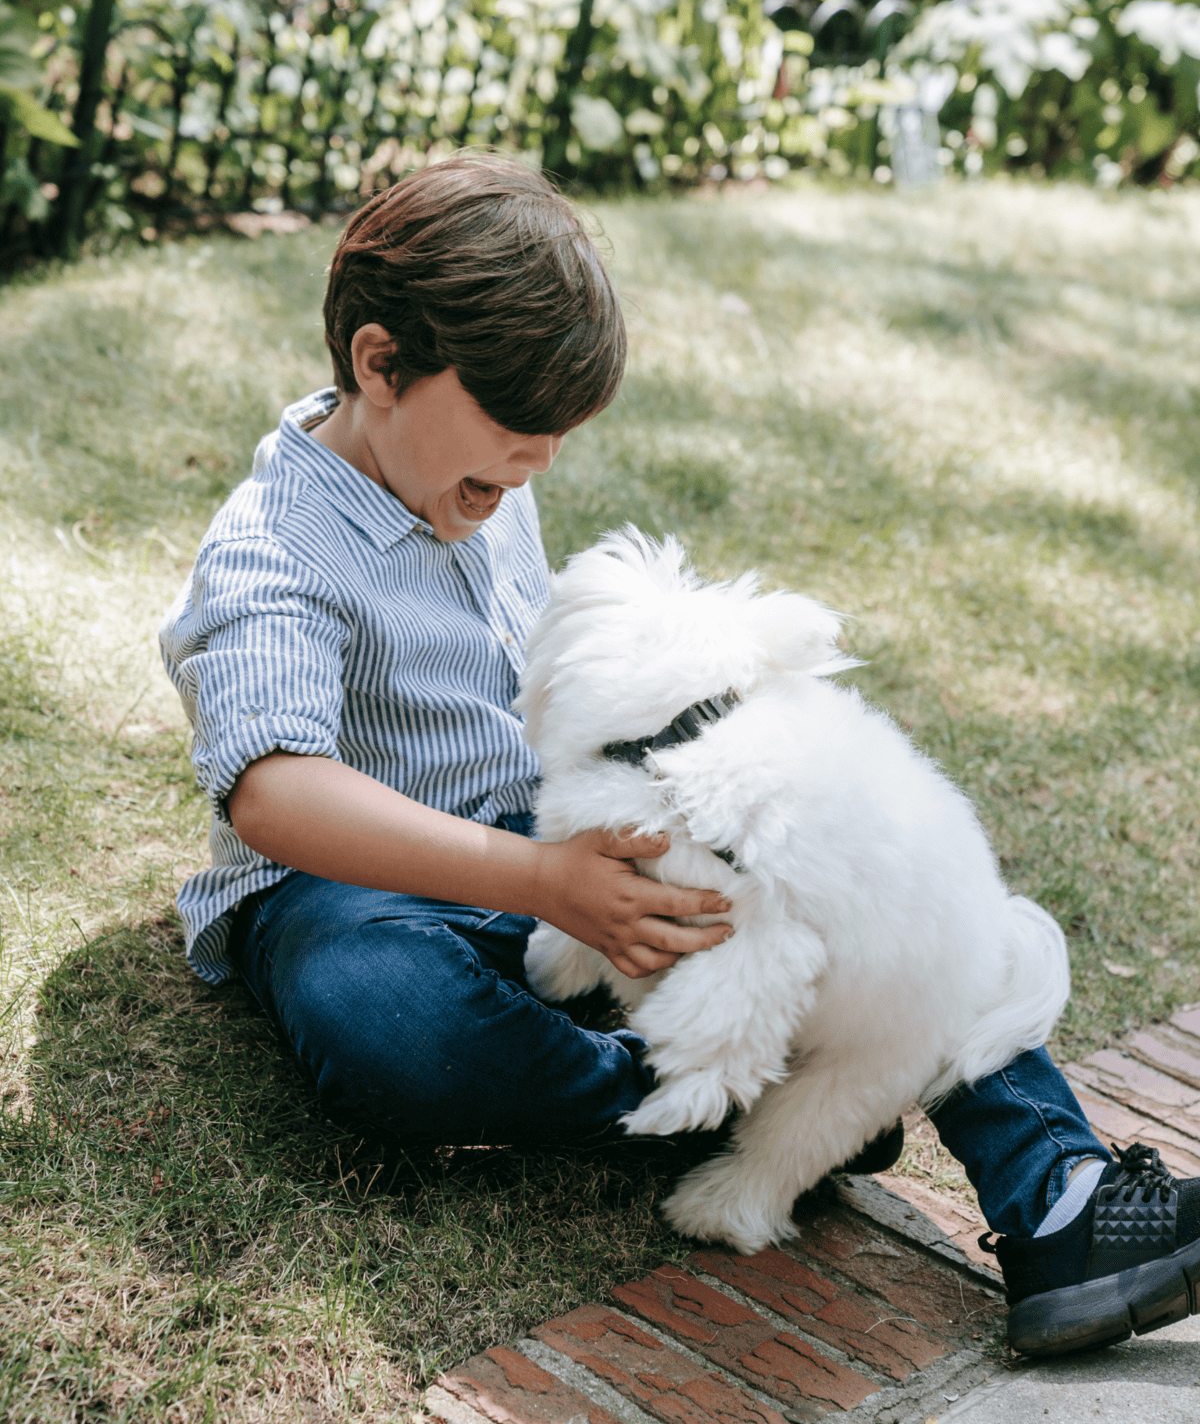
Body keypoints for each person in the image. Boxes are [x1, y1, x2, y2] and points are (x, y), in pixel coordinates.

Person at [160, 153, 1200, 1360]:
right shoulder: (273, 547)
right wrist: (543, 883)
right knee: (379, 1010)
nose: (537, 465)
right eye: (511, 429)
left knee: (870, 878)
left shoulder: (479, 478)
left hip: (557, 846)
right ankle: (714, 1111)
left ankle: (1060, 1193)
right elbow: (276, 791)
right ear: (380, 363)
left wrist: (611, 849)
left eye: (552, 438)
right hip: (370, 893)